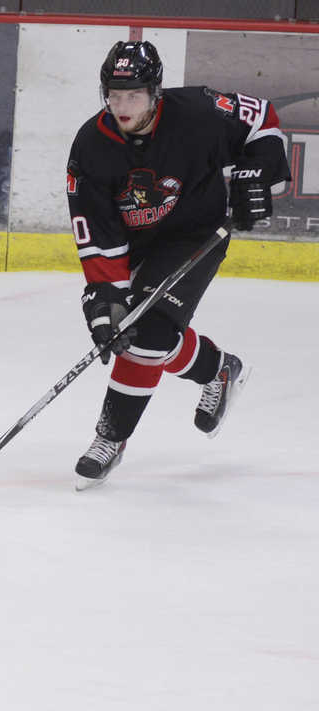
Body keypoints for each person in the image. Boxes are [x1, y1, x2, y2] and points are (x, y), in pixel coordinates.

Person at [66, 40, 291, 490]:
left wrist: (257, 176)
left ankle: (109, 439)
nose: (122, 106)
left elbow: (262, 121)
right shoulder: (92, 146)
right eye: (114, 95)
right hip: (134, 244)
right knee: (133, 328)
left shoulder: (199, 111)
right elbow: (96, 229)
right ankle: (219, 368)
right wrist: (103, 300)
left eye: (133, 95)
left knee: (147, 333)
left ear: (155, 92)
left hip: (194, 234)